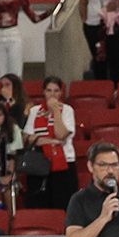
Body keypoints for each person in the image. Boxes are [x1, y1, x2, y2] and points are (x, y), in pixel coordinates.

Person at [26, 77, 80, 209]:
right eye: (49, 90)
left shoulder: (67, 110)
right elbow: (28, 138)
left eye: (56, 91)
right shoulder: (35, 111)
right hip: (39, 163)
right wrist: (52, 141)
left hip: (63, 162)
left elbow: (61, 135)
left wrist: (56, 111)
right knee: (40, 204)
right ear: (44, 92)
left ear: (61, 93)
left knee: (62, 203)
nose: (52, 94)